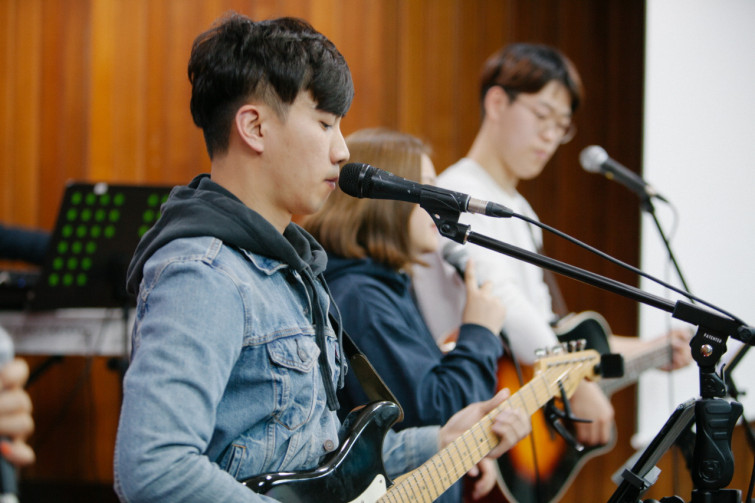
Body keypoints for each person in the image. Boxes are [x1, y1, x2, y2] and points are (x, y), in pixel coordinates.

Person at [114, 14, 529, 503]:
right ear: (255, 127)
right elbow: (154, 467)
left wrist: (438, 441)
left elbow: (324, 470)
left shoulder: (288, 272)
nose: (342, 149)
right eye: (326, 123)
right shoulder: (203, 277)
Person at [412, 43, 692, 449]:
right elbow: (501, 298)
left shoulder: (520, 208)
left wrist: (650, 351)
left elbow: (545, 325)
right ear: (497, 102)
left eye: (562, 125)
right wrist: (570, 380)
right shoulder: (457, 193)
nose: (551, 135)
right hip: (470, 413)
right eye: (542, 115)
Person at [302, 128, 529, 502]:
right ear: (383, 200)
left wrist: (466, 447)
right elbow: (434, 415)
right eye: (425, 187)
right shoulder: (362, 297)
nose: (439, 202)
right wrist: (479, 331)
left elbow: (433, 426)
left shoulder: (384, 285)